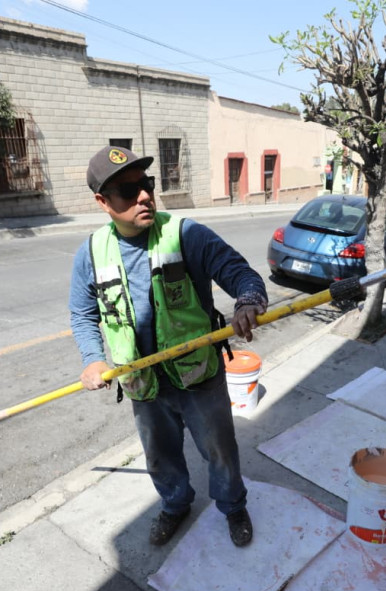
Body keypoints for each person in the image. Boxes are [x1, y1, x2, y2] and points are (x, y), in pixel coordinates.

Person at [69, 145, 267, 548]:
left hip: (198, 376)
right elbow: (82, 314)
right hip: (144, 384)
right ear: (103, 202)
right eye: (129, 191)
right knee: (160, 456)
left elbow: (238, 272)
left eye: (147, 184)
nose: (144, 195)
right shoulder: (91, 253)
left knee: (219, 450)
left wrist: (248, 300)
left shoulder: (185, 234)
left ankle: (232, 505)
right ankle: (175, 505)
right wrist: (92, 359)